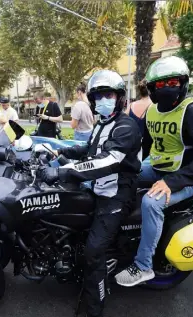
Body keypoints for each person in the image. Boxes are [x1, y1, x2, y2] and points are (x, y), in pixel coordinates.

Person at [39, 70, 142, 317]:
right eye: (98, 96)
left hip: (117, 195)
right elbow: (89, 148)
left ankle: (93, 308)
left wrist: (63, 173)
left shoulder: (125, 126)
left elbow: (108, 160)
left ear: (120, 97)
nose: (102, 100)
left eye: (109, 95)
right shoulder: (103, 124)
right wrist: (61, 154)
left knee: (94, 252)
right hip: (98, 188)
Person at [115, 56, 193, 286]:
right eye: (161, 84)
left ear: (183, 84)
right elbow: (142, 144)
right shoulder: (152, 112)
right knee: (117, 176)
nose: (166, 88)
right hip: (157, 168)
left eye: (172, 83)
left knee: (151, 202)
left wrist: (172, 183)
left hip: (187, 177)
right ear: (151, 88)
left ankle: (143, 266)